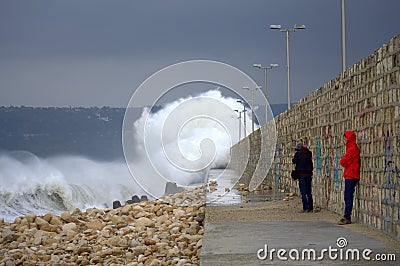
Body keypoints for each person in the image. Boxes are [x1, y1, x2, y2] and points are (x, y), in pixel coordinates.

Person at [338, 130, 360, 225]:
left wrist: (343, 159)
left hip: (351, 175)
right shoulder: (350, 148)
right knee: (347, 196)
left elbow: (344, 162)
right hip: (350, 174)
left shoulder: (352, 149)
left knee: (348, 196)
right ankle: (346, 215)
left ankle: (347, 216)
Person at [292, 142, 314, 213]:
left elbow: (294, 161)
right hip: (308, 174)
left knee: (303, 192)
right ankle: (310, 207)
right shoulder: (309, 153)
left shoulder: (298, 154)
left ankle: (305, 207)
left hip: (301, 174)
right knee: (309, 192)